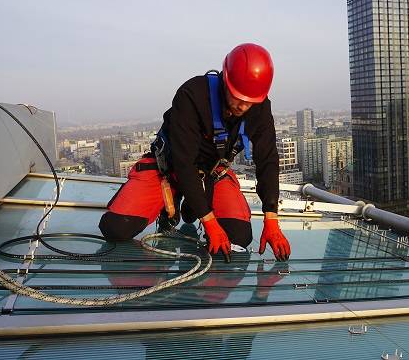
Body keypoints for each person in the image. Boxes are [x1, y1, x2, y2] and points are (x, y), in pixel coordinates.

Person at [98, 43, 291, 262]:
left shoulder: (259, 106)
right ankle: (173, 201)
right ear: (225, 79)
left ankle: (193, 206)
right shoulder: (193, 96)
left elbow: (267, 160)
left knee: (238, 236)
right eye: (239, 97)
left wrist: (271, 219)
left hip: (213, 173)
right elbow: (183, 162)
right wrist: (209, 223)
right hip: (169, 170)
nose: (243, 106)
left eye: (250, 101)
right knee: (115, 228)